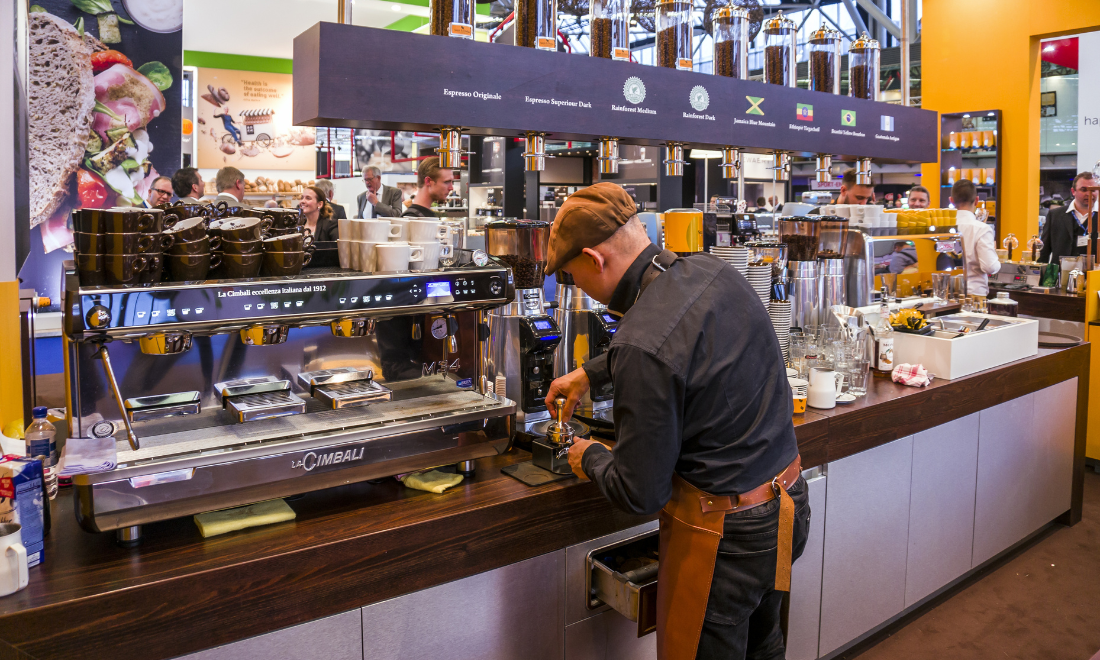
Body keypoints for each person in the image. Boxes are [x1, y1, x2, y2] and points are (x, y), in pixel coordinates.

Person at [544, 183, 809, 660]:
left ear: (593, 259)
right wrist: (592, 371)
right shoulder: (711, 270)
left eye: (569, 274)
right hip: (788, 502)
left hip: (728, 539)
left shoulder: (640, 344)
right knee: (764, 648)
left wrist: (588, 456)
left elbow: (640, 492)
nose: (573, 285)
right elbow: (685, 341)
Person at [952, 179, 1000, 297]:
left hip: (946, 293)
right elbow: (989, 267)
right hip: (973, 295)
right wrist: (997, 259)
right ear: (977, 200)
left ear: (951, 201)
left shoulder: (942, 227)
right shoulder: (982, 229)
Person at [1039, 172, 1097, 264]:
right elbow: (1044, 252)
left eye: (1093, 190)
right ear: (1073, 191)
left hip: (1094, 276)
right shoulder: (1055, 215)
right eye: (1083, 189)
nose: (1088, 194)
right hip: (1061, 276)